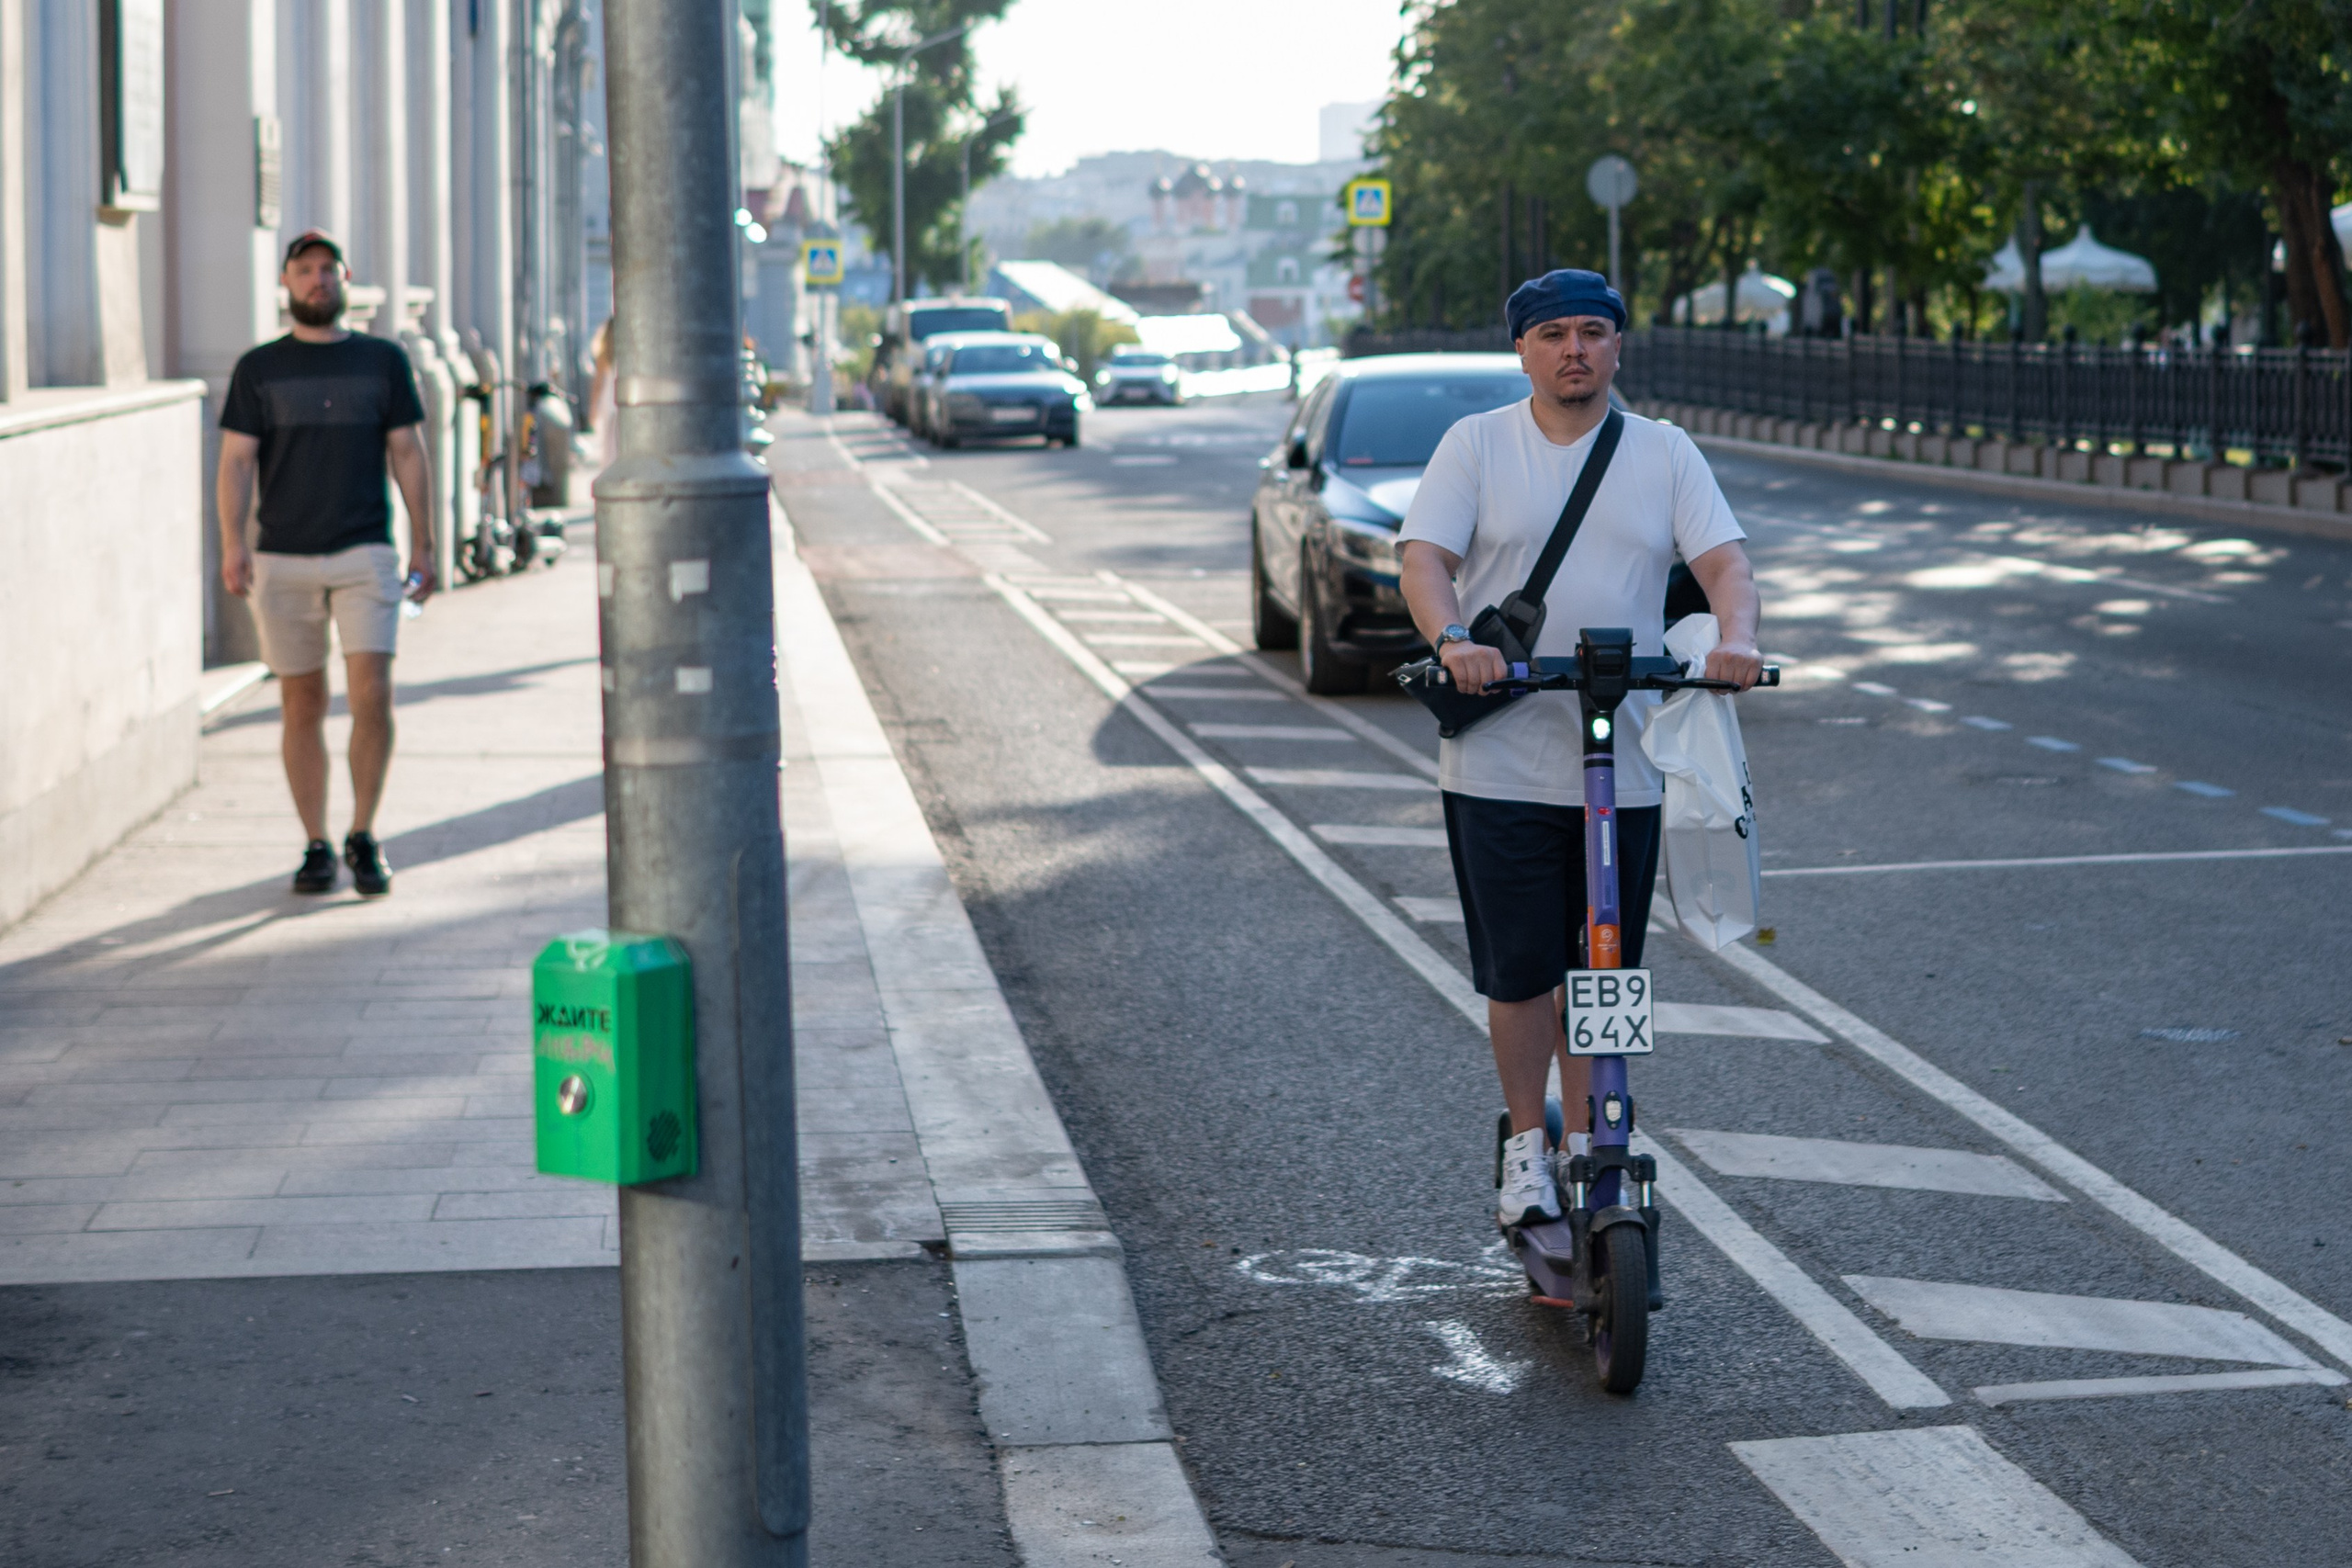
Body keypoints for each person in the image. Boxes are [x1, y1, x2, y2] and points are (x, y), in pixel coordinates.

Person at [1396, 269, 1762, 1226]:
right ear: (1521, 348)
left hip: (1623, 762)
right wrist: (1454, 644)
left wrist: (1737, 639)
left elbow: (1722, 561)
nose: (1574, 349)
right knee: (1521, 971)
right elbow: (1423, 558)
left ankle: (1592, 1136)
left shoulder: (1663, 451)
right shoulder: (1475, 444)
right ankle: (1527, 1145)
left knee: (1603, 969)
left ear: (1615, 346)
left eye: (1592, 332)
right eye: (1554, 333)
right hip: (1503, 761)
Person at [216, 230, 436, 897]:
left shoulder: (381, 361)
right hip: (282, 557)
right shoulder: (260, 368)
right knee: (301, 702)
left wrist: (424, 542)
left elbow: (408, 453)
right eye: (305, 270)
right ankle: (315, 842)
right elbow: (235, 461)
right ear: (285, 283)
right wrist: (233, 542)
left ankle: (363, 833)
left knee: (373, 694)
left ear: (344, 280)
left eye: (328, 270)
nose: (318, 280)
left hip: (365, 549)